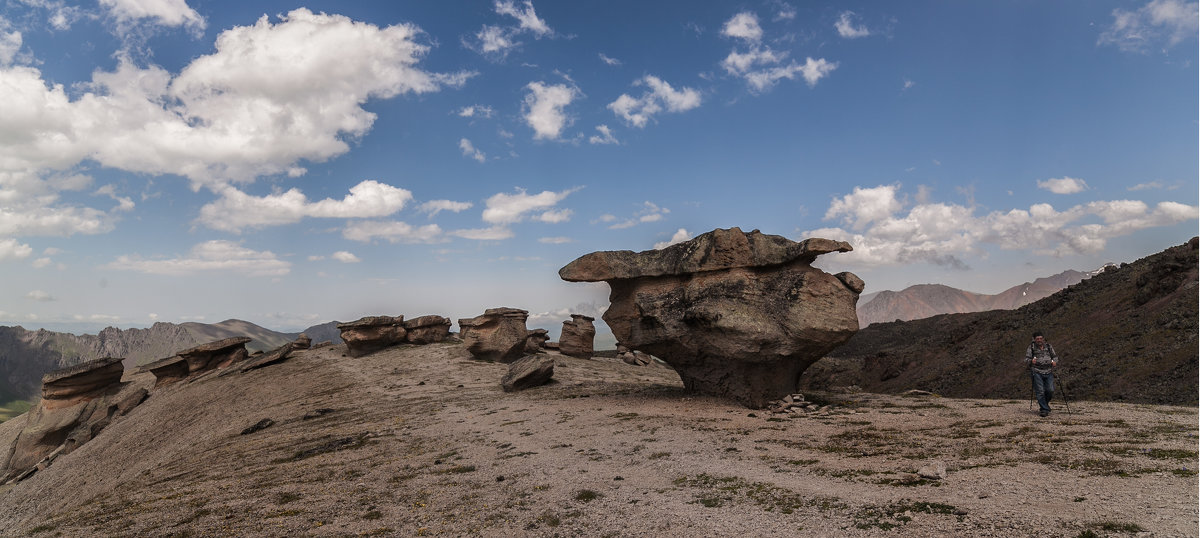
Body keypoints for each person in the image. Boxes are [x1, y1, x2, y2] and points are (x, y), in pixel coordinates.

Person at [1024, 331, 1058, 417]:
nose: (1039, 340)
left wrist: (1054, 362)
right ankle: (1044, 409)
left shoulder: (1049, 346)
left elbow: (1055, 357)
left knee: (1050, 390)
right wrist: (1031, 361)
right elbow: (1026, 360)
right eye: (1037, 339)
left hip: (1049, 371)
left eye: (1040, 338)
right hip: (1036, 372)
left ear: (1043, 338)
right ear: (1034, 339)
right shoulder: (1031, 347)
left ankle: (1045, 405)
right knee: (1040, 391)